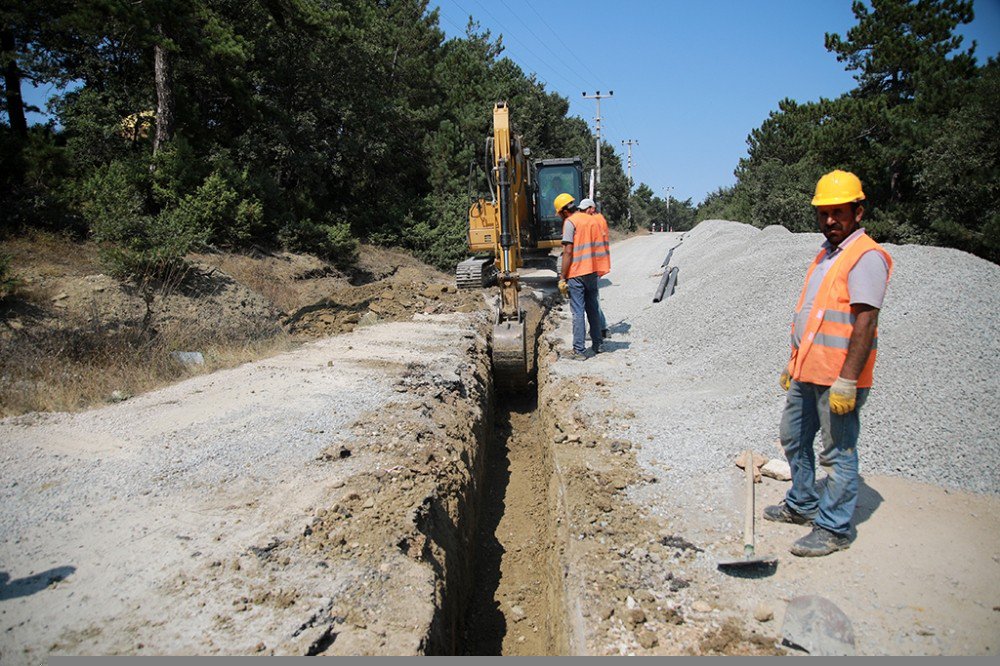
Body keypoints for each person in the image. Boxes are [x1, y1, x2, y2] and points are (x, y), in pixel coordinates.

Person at [765, 169, 893, 557]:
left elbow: (865, 321)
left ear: (858, 211)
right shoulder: (826, 254)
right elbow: (814, 313)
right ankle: (802, 503)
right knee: (793, 437)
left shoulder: (866, 256)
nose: (830, 221)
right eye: (824, 213)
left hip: (838, 376)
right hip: (808, 369)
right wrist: (794, 361)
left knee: (837, 452)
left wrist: (849, 380)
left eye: (838, 212)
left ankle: (835, 527)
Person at [555, 193, 608, 359]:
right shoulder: (592, 219)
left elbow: (568, 252)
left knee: (578, 311)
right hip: (592, 270)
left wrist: (563, 277)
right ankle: (598, 344)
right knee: (592, 308)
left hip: (577, 272)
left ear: (564, 211)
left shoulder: (570, 223)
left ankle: (579, 350)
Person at [578, 198, 610, 339]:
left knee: (591, 299)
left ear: (592, 208)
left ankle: (600, 330)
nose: (582, 212)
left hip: (593, 265)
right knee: (593, 298)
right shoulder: (598, 219)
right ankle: (602, 328)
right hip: (595, 264)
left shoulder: (595, 221)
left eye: (585, 210)